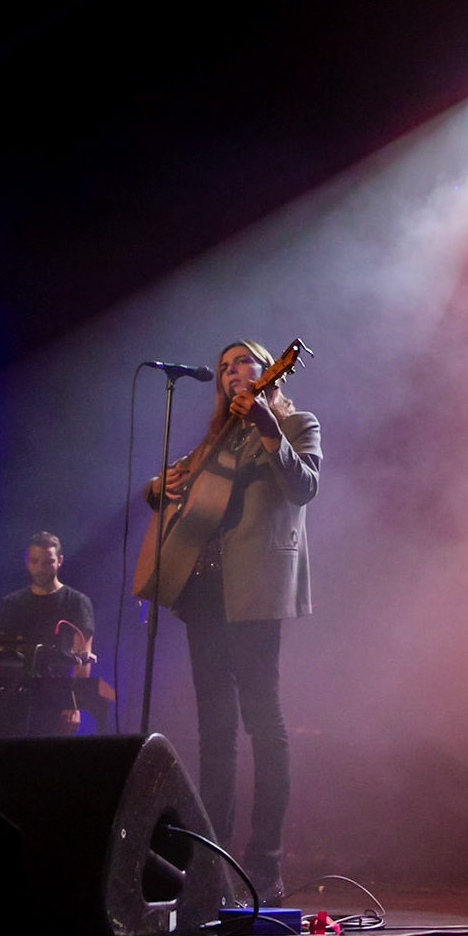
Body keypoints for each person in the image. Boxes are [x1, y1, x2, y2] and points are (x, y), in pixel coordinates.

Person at [145, 340, 319, 903]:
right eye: (223, 367)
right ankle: (211, 863)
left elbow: (305, 486)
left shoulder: (297, 424)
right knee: (214, 732)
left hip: (256, 592)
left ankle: (264, 863)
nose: (230, 373)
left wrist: (268, 423)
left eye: (241, 362)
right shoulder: (214, 439)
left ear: (267, 369)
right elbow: (176, 482)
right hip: (204, 591)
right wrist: (156, 489)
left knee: (263, 723)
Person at [0, 531, 97, 732]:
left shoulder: (76, 602)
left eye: (48, 562)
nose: (40, 569)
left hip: (57, 700)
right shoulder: (11, 603)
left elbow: (83, 659)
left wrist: (73, 703)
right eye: (35, 561)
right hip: (14, 697)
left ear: (60, 561)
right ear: (26, 562)